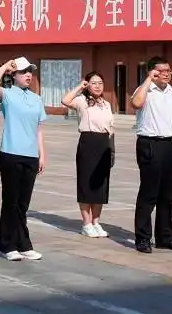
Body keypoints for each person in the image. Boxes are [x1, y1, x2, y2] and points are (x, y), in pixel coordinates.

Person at [0, 57, 46, 261]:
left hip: (31, 156)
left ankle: (24, 244)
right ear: (14, 75)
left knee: (23, 204)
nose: (28, 75)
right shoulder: (8, 95)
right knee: (11, 201)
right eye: (23, 71)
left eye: (30, 71)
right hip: (11, 154)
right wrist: (5, 66)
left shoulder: (36, 99)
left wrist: (41, 154)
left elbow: (39, 129)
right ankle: (8, 245)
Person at [131, 56, 172, 254]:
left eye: (169, 70)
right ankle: (143, 238)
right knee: (149, 194)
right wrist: (148, 80)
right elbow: (136, 103)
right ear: (152, 72)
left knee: (168, 195)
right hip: (150, 144)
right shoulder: (144, 90)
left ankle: (165, 237)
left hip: (170, 146)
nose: (167, 74)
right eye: (162, 71)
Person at [62, 72, 114, 239]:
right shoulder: (81, 101)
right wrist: (80, 87)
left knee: (101, 185)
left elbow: (111, 129)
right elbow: (65, 100)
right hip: (88, 143)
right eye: (93, 83)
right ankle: (86, 223)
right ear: (87, 85)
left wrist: (112, 150)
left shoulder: (106, 104)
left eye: (100, 83)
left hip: (104, 144)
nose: (97, 86)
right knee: (86, 183)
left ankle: (96, 222)